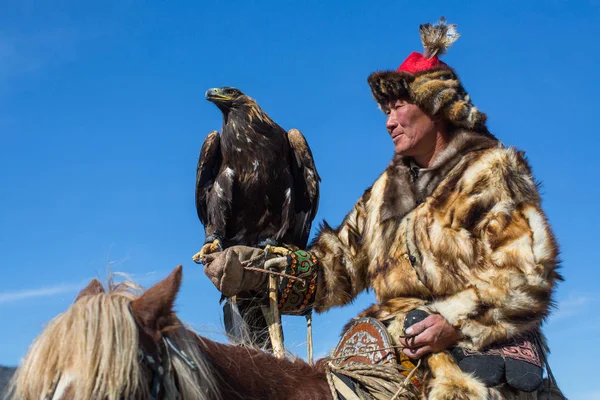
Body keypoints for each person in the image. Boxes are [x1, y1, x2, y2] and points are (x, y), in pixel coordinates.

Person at [202, 18, 563, 399]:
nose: (388, 122)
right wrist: (259, 270)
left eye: (398, 109)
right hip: (394, 354)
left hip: (482, 362)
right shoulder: (383, 196)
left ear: (435, 107)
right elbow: (333, 269)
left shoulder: (488, 174)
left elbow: (527, 272)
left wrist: (455, 321)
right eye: (384, 112)